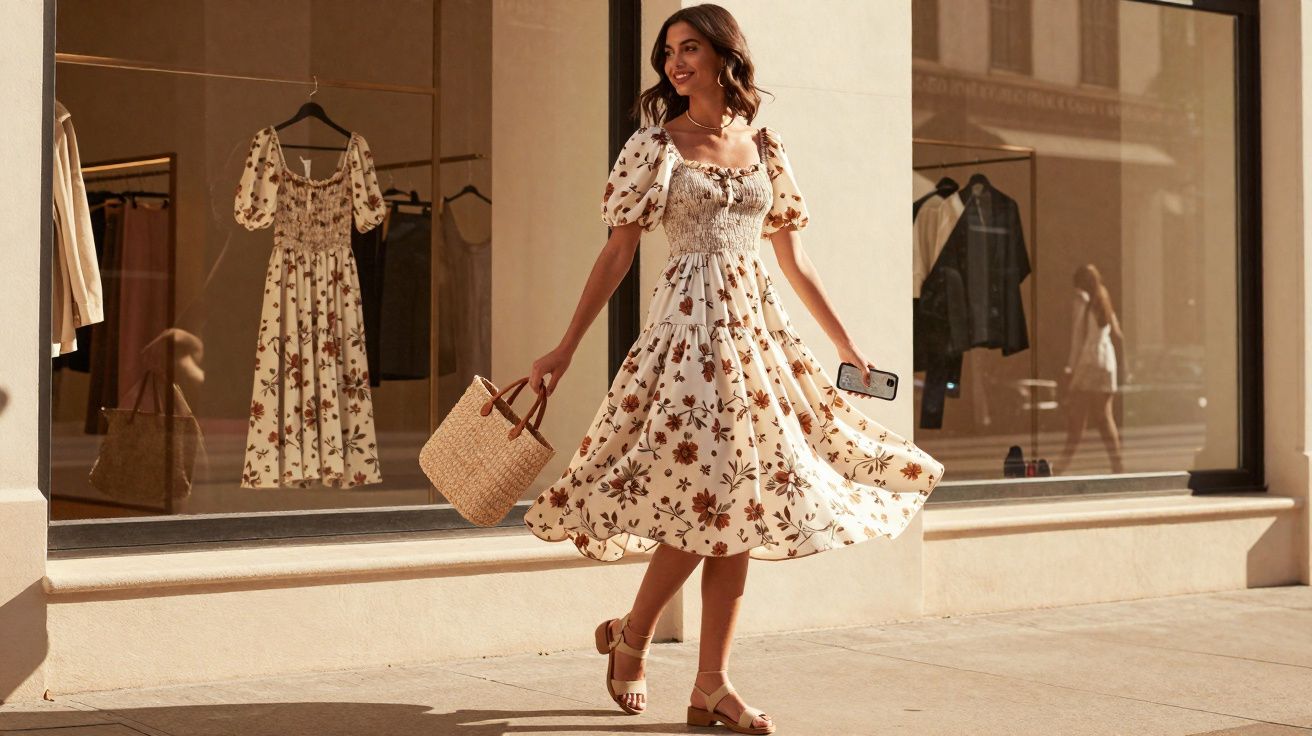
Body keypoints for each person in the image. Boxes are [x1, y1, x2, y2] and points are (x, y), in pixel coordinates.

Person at [522, 5, 945, 733]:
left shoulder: (765, 146)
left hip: (754, 336)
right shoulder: (653, 147)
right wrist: (564, 346)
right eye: (666, 53)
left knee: (742, 500)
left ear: (724, 55)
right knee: (713, 488)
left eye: (689, 48)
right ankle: (636, 636)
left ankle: (707, 681)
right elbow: (617, 251)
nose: (674, 63)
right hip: (686, 339)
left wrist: (845, 344)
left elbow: (793, 255)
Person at [1053, 263, 1125, 475]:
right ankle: (1117, 463)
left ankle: (1062, 465)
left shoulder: (1082, 303)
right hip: (1106, 363)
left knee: (1077, 418)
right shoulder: (1104, 301)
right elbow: (1118, 335)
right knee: (1104, 418)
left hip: (1088, 363)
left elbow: (1078, 339)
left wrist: (1070, 368)